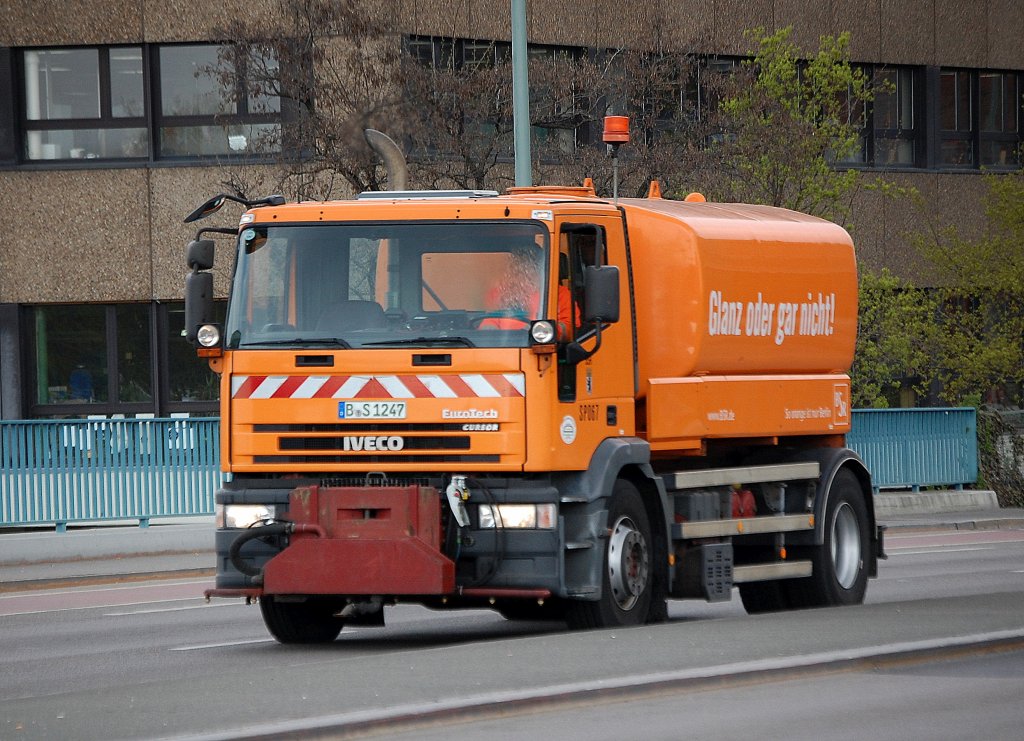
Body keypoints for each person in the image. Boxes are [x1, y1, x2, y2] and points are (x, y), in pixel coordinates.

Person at [480, 247, 573, 337]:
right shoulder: (498, 293)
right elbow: (490, 320)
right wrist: (487, 333)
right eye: (516, 266)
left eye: (527, 266)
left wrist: (538, 330)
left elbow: (568, 329)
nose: (521, 271)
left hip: (539, 348)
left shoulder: (559, 294)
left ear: (541, 268)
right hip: (501, 348)